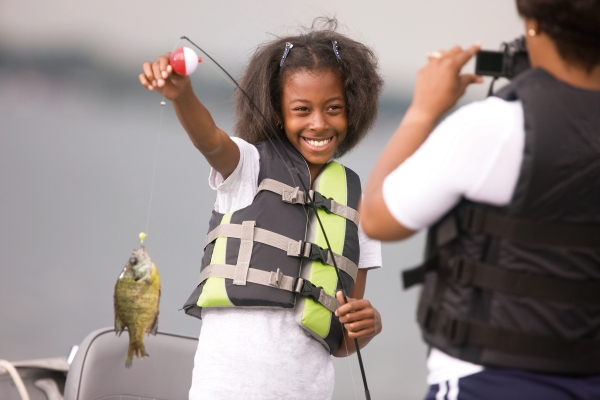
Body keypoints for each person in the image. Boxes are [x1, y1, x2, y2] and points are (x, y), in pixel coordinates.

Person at [361, 0, 600, 399]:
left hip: (486, 378)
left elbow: (376, 218)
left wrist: (423, 110)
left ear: (535, 25)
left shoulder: (494, 127)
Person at [139, 20, 383, 400]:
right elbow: (211, 141)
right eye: (302, 109)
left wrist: (368, 326)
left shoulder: (357, 206)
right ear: (277, 111)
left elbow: (343, 343)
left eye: (333, 108)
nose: (319, 123)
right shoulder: (248, 166)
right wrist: (182, 95)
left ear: (354, 109)